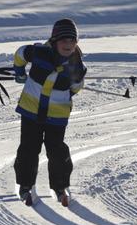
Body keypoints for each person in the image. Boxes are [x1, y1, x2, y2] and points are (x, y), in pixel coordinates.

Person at [12, 18, 86, 206]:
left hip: (57, 116)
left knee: (57, 151)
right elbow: (21, 53)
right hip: (31, 111)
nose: (68, 45)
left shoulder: (77, 66)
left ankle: (60, 186)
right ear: (54, 41)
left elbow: (77, 86)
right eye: (64, 40)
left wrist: (63, 94)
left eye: (72, 41)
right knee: (29, 148)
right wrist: (19, 72)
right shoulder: (39, 53)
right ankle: (25, 184)